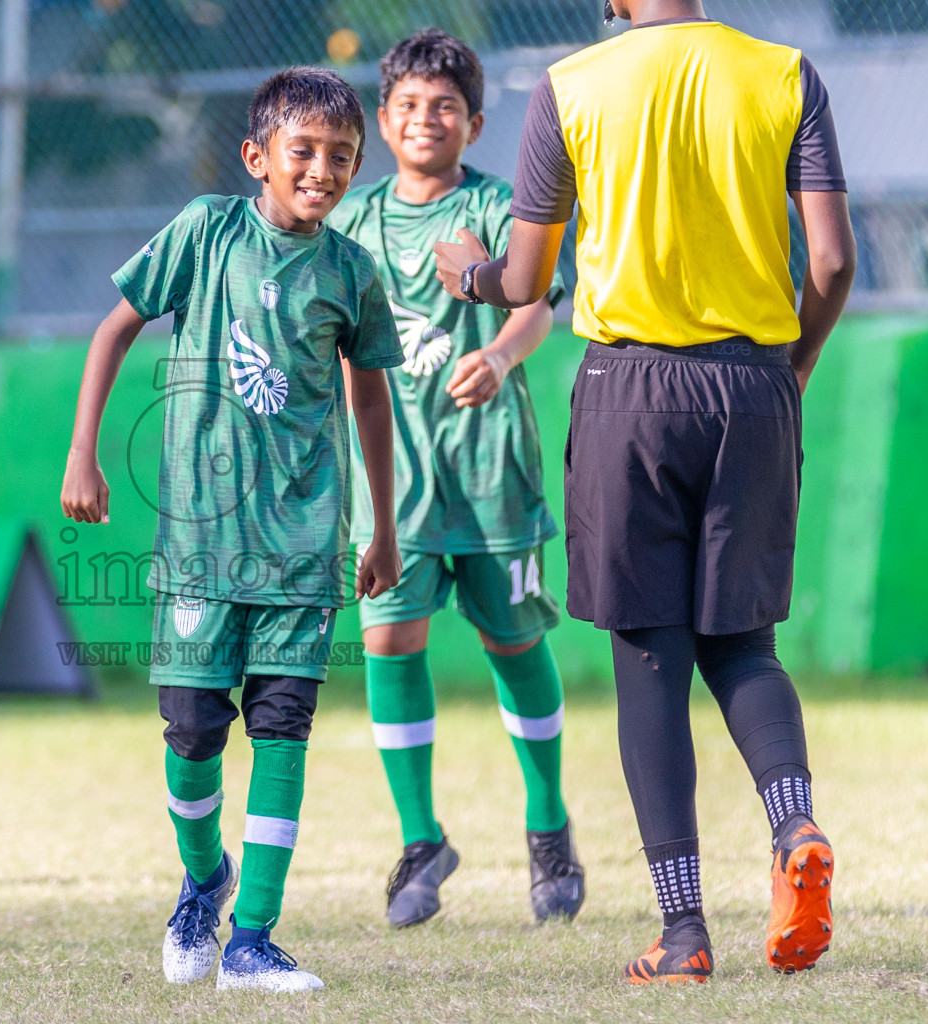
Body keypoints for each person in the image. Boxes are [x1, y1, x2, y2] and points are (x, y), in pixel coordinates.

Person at [433, 0, 856, 984]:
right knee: (743, 643)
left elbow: (528, 276)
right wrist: (788, 368)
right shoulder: (784, 74)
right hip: (751, 384)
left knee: (648, 659)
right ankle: (791, 820)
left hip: (629, 390)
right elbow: (831, 259)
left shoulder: (568, 87)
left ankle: (682, 933)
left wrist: (470, 275)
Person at [61, 67, 404, 993]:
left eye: (343, 157)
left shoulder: (350, 273)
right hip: (200, 555)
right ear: (257, 157)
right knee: (190, 740)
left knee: (284, 729)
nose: (323, 171)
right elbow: (112, 330)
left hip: (303, 549)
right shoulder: (206, 232)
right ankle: (205, 879)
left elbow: (371, 401)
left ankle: (252, 940)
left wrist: (382, 526)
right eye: (304, 152)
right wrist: (82, 452)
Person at [328, 27, 582, 930]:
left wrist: (504, 356)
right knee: (389, 644)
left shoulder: (505, 207)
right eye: (407, 106)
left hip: (489, 472)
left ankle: (548, 827)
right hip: (390, 480)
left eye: (444, 106)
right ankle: (421, 839)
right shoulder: (350, 221)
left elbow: (541, 308)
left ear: (473, 123)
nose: (424, 119)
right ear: (382, 122)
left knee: (514, 645)